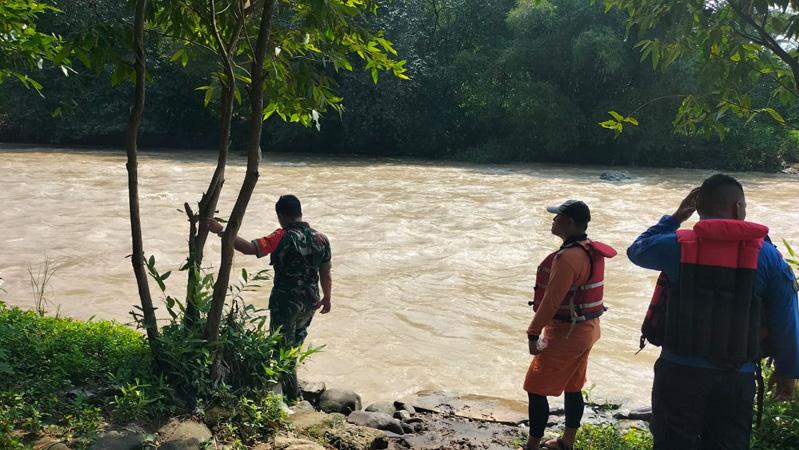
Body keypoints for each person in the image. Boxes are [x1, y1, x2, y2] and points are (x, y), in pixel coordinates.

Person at [628, 174, 799, 449]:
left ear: (697, 208)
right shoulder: (768, 257)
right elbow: (787, 318)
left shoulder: (675, 246)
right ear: (739, 208)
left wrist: (675, 218)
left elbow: (637, 250)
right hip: (736, 376)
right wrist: (787, 371)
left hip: (678, 372)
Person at [205, 194, 332, 402]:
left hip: (286, 303)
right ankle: (291, 393)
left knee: (281, 351)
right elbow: (325, 273)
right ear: (299, 213)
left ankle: (288, 398)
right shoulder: (321, 239)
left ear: (281, 216)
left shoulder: (281, 235)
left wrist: (221, 230)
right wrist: (327, 298)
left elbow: (249, 248)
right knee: (293, 348)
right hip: (311, 302)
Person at [521, 200, 617, 450]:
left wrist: (533, 334)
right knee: (573, 386)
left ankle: (532, 445)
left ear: (570, 222)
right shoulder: (589, 250)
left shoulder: (567, 258)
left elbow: (551, 303)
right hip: (588, 329)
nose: (553, 220)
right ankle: (567, 442)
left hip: (568, 333)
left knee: (535, 387)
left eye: (558, 217)